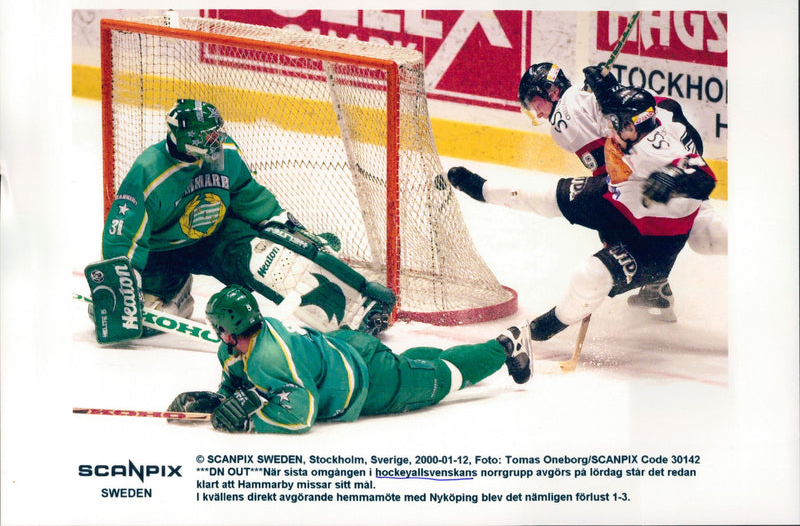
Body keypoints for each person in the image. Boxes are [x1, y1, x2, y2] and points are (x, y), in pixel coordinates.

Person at [447, 84, 716, 345]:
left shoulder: (660, 149)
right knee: (543, 196)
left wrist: (673, 178)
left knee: (590, 276)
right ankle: (483, 190)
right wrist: (604, 86)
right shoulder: (632, 127)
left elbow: (705, 179)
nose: (606, 128)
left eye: (612, 122)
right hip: (616, 199)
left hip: (651, 245)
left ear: (630, 127)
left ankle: (546, 327)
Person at [98, 98, 395, 336]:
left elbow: (245, 192)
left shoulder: (224, 152)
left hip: (217, 237)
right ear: (184, 138)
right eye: (207, 136)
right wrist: (122, 284)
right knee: (150, 319)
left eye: (217, 132)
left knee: (270, 259)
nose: (216, 140)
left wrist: (283, 225)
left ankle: (360, 306)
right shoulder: (149, 172)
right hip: (163, 252)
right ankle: (172, 289)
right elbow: (122, 234)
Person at [507, 62, 727, 321]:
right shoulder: (586, 92)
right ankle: (656, 288)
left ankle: (658, 283)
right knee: (692, 229)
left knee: (699, 231)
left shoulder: (562, 121)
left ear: (551, 91)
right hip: (677, 139)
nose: (538, 113)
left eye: (535, 103)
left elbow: (611, 173)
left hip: (669, 158)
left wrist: (610, 225)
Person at [166, 285, 532, 433]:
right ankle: (469, 356)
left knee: (445, 377)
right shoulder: (235, 349)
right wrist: (218, 399)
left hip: (370, 379)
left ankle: (506, 345)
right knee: (407, 362)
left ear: (225, 328)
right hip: (344, 349)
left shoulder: (270, 356)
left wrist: (250, 422)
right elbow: (240, 382)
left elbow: (301, 413)